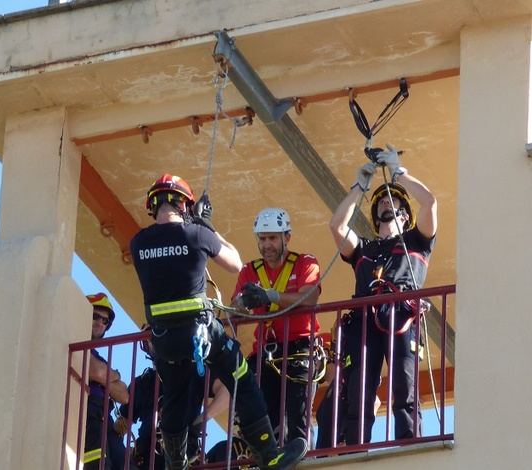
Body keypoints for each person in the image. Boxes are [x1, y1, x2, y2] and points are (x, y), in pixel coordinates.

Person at [130, 174, 308, 470]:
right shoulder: (195, 234)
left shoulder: (138, 242)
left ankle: (176, 465)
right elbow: (236, 262)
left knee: (174, 398)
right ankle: (270, 454)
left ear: (153, 205)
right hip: (201, 332)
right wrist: (204, 225)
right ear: (184, 205)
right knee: (243, 381)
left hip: (163, 340)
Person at [328, 145, 437, 444]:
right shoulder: (363, 249)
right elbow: (337, 226)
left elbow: (429, 203)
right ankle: (355, 447)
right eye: (381, 205)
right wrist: (358, 187)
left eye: (396, 203)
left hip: (402, 317)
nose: (387, 207)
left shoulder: (417, 241)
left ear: (406, 215)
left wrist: (400, 174)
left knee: (404, 384)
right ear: (375, 217)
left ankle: (408, 442)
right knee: (358, 389)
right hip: (365, 321)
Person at [231, 208, 323, 443]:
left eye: (273, 238)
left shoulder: (305, 262)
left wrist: (270, 296)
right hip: (265, 352)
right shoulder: (249, 270)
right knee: (263, 420)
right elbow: (234, 307)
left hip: (300, 347)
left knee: (297, 415)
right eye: (262, 239)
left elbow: (309, 297)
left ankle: (301, 457)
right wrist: (243, 302)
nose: (267, 245)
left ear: (287, 237)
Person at [117, 327, 230, 470]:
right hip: (145, 461)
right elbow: (121, 424)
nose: (157, 342)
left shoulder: (194, 374)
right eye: (152, 337)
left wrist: (200, 421)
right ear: (146, 344)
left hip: (185, 456)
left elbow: (226, 391)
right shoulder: (142, 383)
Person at [84, 292, 132, 470]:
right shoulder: (73, 342)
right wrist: (113, 376)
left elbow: (123, 395)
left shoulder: (97, 357)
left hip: (105, 419)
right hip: (88, 413)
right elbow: (96, 371)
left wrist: (108, 375)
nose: (100, 323)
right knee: (100, 464)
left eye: (105, 321)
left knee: (126, 465)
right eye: (96, 316)